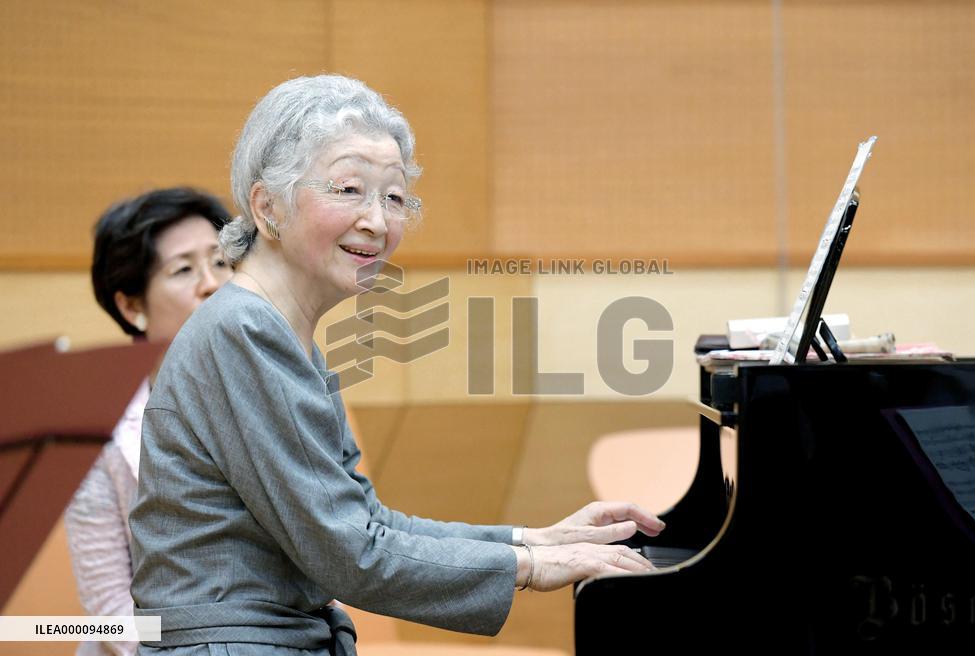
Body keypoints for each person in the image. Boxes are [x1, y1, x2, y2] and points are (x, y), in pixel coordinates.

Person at [129, 75, 664, 656]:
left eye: (393, 197)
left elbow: (364, 522)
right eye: (349, 189)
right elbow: (351, 555)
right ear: (267, 206)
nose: (378, 222)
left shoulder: (278, 333)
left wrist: (534, 538)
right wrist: (529, 566)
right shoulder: (244, 331)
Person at [64, 188, 234, 656]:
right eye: (184, 270)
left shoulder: (276, 394)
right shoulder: (97, 435)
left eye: (221, 262)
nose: (212, 284)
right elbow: (110, 604)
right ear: (131, 307)